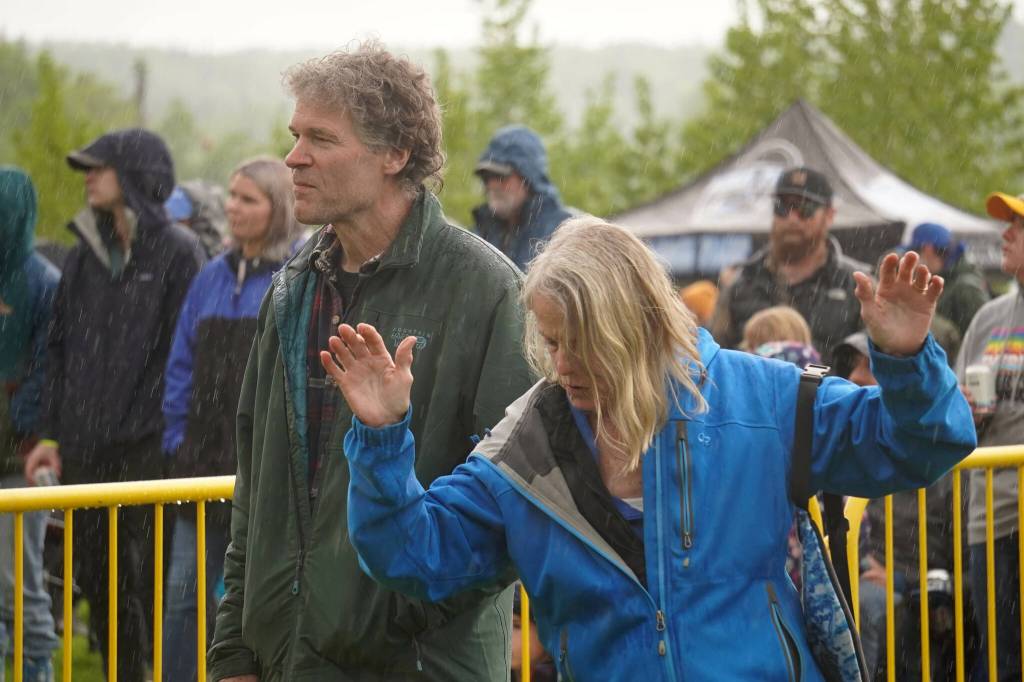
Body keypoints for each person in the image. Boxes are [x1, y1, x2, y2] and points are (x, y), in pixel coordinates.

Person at [325, 216, 976, 681]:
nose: (563, 364)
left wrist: (906, 357)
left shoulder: (764, 401)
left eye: (582, 340)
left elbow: (923, 443)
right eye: (551, 342)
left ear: (637, 323)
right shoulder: (524, 449)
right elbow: (413, 557)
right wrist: (382, 438)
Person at [207, 42, 535, 682]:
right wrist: (235, 649)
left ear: (395, 154)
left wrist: (394, 623)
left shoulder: (487, 290)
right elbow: (257, 487)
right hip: (282, 662)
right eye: (294, 135)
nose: (293, 158)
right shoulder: (292, 288)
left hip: (420, 666)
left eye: (321, 139)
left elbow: (516, 504)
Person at [23, 129, 205, 681]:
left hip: (149, 454)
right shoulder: (83, 257)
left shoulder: (179, 253)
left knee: (152, 583)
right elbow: (55, 351)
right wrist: (49, 437)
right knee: (98, 584)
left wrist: (167, 434)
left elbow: (188, 356)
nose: (87, 178)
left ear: (134, 178)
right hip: (84, 452)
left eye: (98, 168)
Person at [161, 156, 300, 682]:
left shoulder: (294, 279)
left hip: (264, 476)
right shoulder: (210, 278)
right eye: (231, 197)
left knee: (256, 601)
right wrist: (177, 443)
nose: (233, 208)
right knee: (183, 599)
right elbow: (180, 365)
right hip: (197, 469)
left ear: (278, 208)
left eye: (248, 199)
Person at [953, 190, 1024, 681]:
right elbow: (957, 411)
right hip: (989, 515)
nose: (1005, 234)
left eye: (1017, 226)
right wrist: (967, 412)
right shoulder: (987, 318)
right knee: (1001, 657)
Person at [0, 168, 60, 682]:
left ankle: (37, 668)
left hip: (22, 458)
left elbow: (49, 368)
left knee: (17, 583)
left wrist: (31, 432)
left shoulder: (42, 282)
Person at [711, 167, 869, 360]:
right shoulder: (743, 281)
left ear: (829, 215)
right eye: (782, 207)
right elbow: (716, 359)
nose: (792, 218)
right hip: (757, 389)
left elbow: (872, 366)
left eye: (805, 208)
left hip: (830, 390)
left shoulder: (858, 284)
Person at [472, 125, 572, 270]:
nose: (492, 184)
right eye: (486, 177)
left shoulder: (564, 234)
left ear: (529, 178)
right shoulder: (481, 233)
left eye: (500, 176)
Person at [900, 222, 989, 337]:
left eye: (914, 253)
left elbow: (985, 335)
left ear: (928, 249)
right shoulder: (948, 279)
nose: (913, 264)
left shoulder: (966, 287)